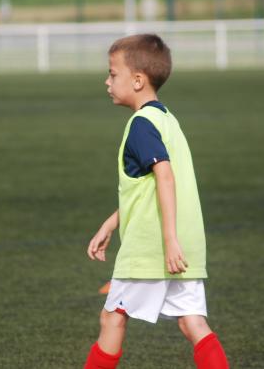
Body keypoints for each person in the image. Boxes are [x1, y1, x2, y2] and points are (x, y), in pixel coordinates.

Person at [84, 34, 229, 369]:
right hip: (185, 247)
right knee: (192, 323)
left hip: (155, 248)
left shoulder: (141, 126)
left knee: (112, 320)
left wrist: (168, 240)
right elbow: (151, 188)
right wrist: (111, 222)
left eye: (112, 74)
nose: (107, 81)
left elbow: (164, 176)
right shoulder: (168, 121)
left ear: (137, 80)